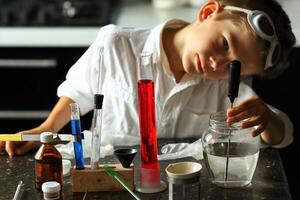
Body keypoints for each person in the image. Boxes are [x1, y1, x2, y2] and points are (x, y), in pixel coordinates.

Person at [0, 0, 295, 158]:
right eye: (224, 44)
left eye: (234, 67)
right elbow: (78, 92)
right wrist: (47, 127)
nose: (218, 64)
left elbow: (282, 135)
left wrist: (268, 119)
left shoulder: (221, 84)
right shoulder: (116, 43)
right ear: (207, 12)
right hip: (113, 170)